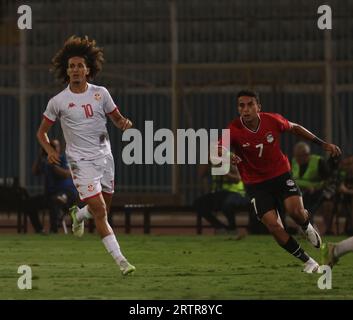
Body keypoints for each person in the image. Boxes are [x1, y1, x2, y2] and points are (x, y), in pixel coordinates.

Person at [36, 36, 135, 275]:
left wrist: (124, 124)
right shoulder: (58, 101)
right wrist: (50, 151)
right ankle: (121, 261)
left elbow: (117, 118)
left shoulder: (101, 93)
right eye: (71, 66)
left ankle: (78, 214)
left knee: (103, 209)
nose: (76, 69)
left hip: (105, 158)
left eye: (80, 65)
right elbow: (41, 133)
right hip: (79, 162)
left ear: (88, 69)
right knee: (100, 211)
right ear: (66, 71)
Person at [218, 89, 341, 273]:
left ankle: (306, 226)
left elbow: (296, 128)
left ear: (259, 106)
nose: (246, 109)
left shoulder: (272, 120)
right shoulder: (233, 129)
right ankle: (308, 261)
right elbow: (218, 149)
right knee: (274, 226)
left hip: (280, 175)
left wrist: (323, 144)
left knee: (296, 212)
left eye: (250, 104)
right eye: (241, 105)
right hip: (256, 184)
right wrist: (227, 155)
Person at [26, 139, 78, 234]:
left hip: (67, 192)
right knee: (30, 203)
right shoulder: (45, 161)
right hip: (51, 194)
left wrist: (53, 165)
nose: (52, 148)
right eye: (50, 146)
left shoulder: (63, 159)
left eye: (54, 146)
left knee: (55, 200)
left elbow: (66, 174)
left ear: (59, 148)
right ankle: (40, 230)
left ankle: (54, 230)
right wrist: (40, 156)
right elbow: (34, 172)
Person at [194, 163, 250, 235]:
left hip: (236, 193)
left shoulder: (231, 158)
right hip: (218, 194)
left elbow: (237, 179)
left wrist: (224, 171)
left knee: (227, 204)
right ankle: (220, 227)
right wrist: (207, 162)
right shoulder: (212, 161)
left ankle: (232, 228)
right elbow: (200, 175)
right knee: (198, 203)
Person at [291, 141, 330, 220]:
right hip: (298, 191)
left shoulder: (319, 162)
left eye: (299, 156)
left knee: (308, 204)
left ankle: (308, 224)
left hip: (315, 192)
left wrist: (315, 188)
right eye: (296, 156)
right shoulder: (293, 161)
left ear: (307, 154)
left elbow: (327, 180)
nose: (297, 158)